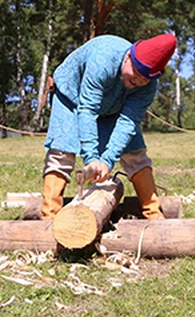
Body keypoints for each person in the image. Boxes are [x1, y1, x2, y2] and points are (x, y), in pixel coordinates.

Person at [40, 33, 177, 221]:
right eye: (136, 74)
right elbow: (88, 109)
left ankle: (153, 213)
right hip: (71, 98)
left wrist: (107, 160)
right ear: (129, 57)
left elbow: (128, 122)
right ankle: (49, 217)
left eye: (145, 79)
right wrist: (92, 158)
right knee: (61, 153)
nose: (138, 82)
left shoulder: (148, 86)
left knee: (135, 154)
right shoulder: (102, 59)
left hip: (113, 107)